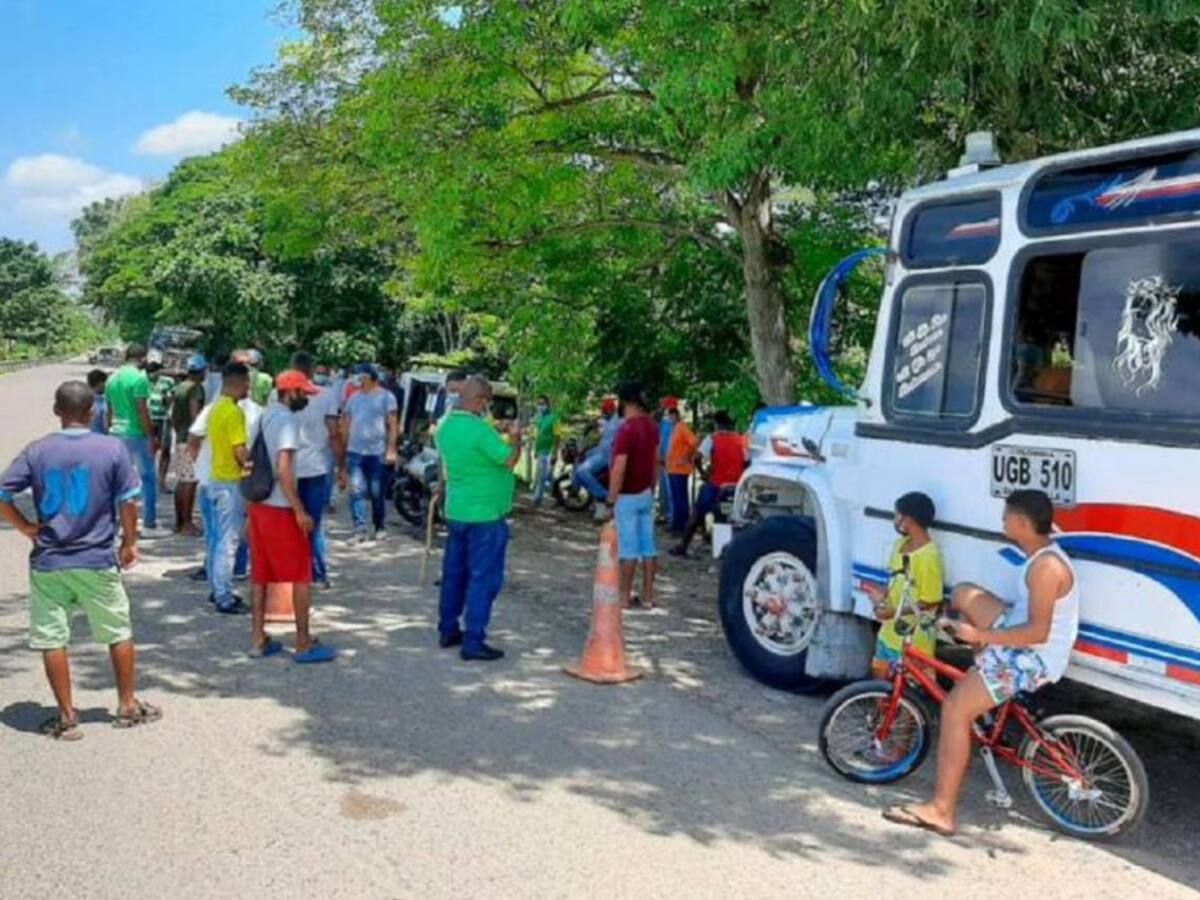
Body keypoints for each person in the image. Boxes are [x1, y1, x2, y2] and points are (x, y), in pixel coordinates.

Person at [884, 489, 1079, 837]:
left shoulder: (1046, 568)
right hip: (1019, 637)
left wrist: (978, 636)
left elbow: (1037, 632)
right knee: (962, 593)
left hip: (1033, 657)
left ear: (1021, 523)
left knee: (955, 710)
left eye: (1006, 517)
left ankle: (941, 810)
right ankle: (984, 674)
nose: (1002, 522)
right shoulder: (1039, 554)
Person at [0, 381, 162, 740]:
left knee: (53, 638)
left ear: (57, 411)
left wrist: (26, 527)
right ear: (93, 412)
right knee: (118, 631)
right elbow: (128, 501)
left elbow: (2, 493)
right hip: (97, 558)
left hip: (50, 561)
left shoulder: (36, 450)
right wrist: (130, 542)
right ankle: (126, 705)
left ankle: (67, 715)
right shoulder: (112, 449)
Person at [246, 370, 337, 663]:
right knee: (300, 574)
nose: (307, 400)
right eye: (303, 394)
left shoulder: (264, 416)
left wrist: (249, 510)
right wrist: (299, 510)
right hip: (280, 508)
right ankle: (302, 641)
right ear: (290, 392)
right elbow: (283, 469)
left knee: (260, 575)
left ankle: (258, 638)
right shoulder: (286, 421)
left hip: (259, 506)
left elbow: (251, 461)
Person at [436, 376, 522, 661]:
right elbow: (508, 459)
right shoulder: (479, 431)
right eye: (487, 401)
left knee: (453, 574)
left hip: (457, 509)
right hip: (485, 513)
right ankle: (473, 640)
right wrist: (516, 436)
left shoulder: (446, 425)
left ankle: (448, 629)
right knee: (482, 578)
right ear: (481, 401)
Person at [863, 492, 943, 680]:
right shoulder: (900, 544)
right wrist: (880, 598)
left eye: (897, 515)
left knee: (909, 693)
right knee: (879, 683)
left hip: (914, 639)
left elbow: (931, 601)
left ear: (907, 520)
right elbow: (895, 582)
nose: (895, 519)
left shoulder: (928, 556)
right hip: (888, 634)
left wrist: (895, 613)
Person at [288, 351, 343, 588]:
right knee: (315, 523)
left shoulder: (277, 395)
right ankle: (317, 573)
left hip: (288, 468)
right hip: (317, 468)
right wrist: (342, 466)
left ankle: (290, 572)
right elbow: (334, 433)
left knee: (289, 523)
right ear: (311, 371)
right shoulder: (327, 396)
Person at [607, 382, 659, 609]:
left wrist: (611, 497)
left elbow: (619, 466)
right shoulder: (652, 426)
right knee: (648, 547)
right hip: (646, 493)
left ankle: (623, 596)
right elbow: (658, 459)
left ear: (625, 401)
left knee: (628, 549)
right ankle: (648, 595)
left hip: (627, 496)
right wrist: (652, 487)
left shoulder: (626, 429)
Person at [206, 362, 253, 614]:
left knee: (218, 538)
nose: (249, 388)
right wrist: (253, 469)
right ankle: (223, 595)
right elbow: (239, 450)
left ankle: (217, 588)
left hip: (216, 479)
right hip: (230, 482)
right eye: (247, 383)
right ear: (238, 383)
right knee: (229, 541)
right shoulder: (234, 413)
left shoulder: (217, 408)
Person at [670, 411, 746, 558]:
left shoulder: (712, 439)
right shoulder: (740, 440)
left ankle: (683, 546)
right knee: (725, 517)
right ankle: (722, 549)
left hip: (717, 482)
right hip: (735, 485)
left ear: (716, 424)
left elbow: (697, 457)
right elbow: (746, 461)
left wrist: (704, 473)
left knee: (697, 513)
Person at [341, 363, 398, 542]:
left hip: (377, 452)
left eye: (360, 376)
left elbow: (393, 424)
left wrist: (391, 448)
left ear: (370, 377)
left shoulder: (386, 397)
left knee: (376, 492)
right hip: (355, 452)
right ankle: (359, 528)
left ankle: (379, 525)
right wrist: (343, 449)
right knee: (356, 490)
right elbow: (346, 423)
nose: (357, 379)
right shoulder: (353, 398)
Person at [104, 344, 159, 531]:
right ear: (143, 358)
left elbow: (108, 410)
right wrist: (151, 436)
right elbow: (142, 410)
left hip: (115, 433)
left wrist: (107, 431)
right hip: (136, 433)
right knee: (148, 478)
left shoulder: (112, 378)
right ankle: (149, 521)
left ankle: (114, 520)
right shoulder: (139, 379)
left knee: (117, 479)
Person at [168, 354, 206, 535]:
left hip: (181, 437)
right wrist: (198, 437)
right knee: (190, 481)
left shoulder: (179, 387)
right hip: (191, 440)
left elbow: (174, 416)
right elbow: (195, 415)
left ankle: (178, 521)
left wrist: (179, 432)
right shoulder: (195, 389)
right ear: (201, 371)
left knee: (182, 480)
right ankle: (187, 523)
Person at [574, 396, 619, 521]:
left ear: (611, 410)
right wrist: (585, 444)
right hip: (600, 451)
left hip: (608, 455)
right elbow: (597, 431)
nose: (603, 413)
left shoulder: (619, 421)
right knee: (578, 471)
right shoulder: (607, 420)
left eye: (605, 411)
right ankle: (595, 498)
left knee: (582, 471)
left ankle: (602, 495)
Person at [663, 405, 697, 533]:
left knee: (680, 499)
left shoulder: (682, 427)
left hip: (679, 469)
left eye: (670, 415)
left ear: (675, 415)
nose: (669, 418)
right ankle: (678, 525)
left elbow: (693, 442)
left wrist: (686, 457)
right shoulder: (676, 428)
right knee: (677, 498)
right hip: (673, 468)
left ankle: (682, 526)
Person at [145, 355, 176, 493]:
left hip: (163, 418)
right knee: (149, 451)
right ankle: (148, 481)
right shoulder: (141, 380)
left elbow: (171, 399)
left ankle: (161, 482)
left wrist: (169, 407)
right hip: (147, 418)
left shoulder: (167, 381)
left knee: (165, 450)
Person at [530, 394, 559, 507]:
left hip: (548, 451)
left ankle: (537, 499)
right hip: (539, 450)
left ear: (548, 405)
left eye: (543, 404)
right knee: (545, 475)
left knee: (542, 476)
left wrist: (555, 453)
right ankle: (556, 494)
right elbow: (537, 434)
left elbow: (557, 436)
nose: (540, 406)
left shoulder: (554, 418)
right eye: (539, 404)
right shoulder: (539, 418)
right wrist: (535, 450)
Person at [656, 397, 678, 523]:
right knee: (663, 490)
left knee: (670, 490)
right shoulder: (663, 423)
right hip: (662, 460)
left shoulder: (676, 424)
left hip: (671, 461)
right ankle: (664, 514)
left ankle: (672, 516)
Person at [86, 369, 108, 434]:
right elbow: (106, 426)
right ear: (101, 383)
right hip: (100, 438)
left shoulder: (82, 400)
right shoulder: (102, 402)